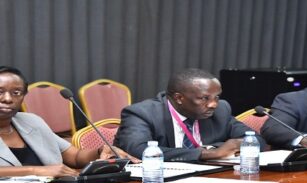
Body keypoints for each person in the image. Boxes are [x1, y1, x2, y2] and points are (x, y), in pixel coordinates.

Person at [0, 66, 139, 177]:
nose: (7, 99)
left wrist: (101, 151)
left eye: (16, 92)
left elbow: (75, 157)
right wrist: (35, 171)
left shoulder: (32, 122)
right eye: (0, 91)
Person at [115, 68, 266, 161]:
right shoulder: (142, 113)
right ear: (179, 98)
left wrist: (217, 150)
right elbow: (137, 150)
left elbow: (256, 140)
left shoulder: (220, 110)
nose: (214, 104)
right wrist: (205, 154)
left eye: (217, 97)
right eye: (204, 98)